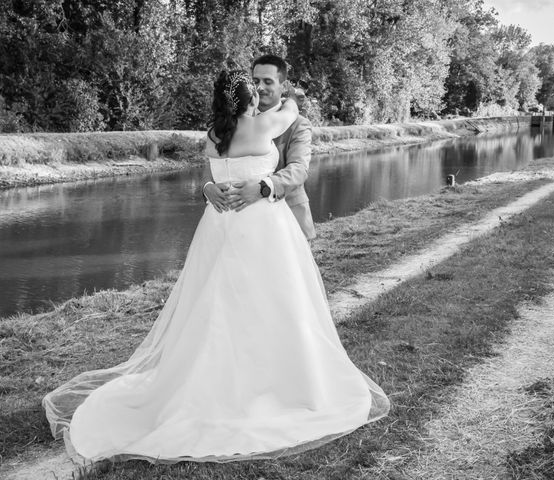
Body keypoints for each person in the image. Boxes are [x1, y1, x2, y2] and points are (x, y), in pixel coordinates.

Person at [42, 69, 389, 464]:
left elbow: (215, 178)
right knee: (276, 302)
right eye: (254, 90)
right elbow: (291, 107)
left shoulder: (212, 136)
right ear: (247, 100)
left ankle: (211, 380)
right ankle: (276, 385)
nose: (261, 94)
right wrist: (281, 95)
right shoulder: (264, 125)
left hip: (219, 226)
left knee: (216, 304)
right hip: (262, 228)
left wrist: (210, 188)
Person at [203, 54, 316, 240]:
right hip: (231, 228)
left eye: (268, 81)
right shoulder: (229, 123)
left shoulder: (299, 124)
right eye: (255, 81)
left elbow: (299, 169)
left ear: (283, 86)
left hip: (287, 221)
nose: (260, 87)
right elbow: (213, 163)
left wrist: (263, 188)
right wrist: (207, 187)